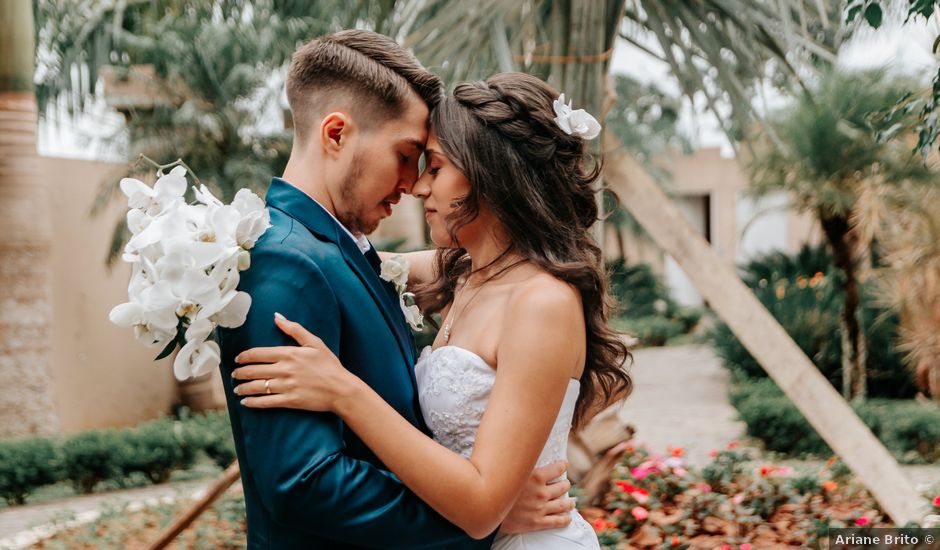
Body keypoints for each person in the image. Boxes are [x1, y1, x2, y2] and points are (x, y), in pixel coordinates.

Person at [232, 72, 634, 549]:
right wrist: (216, 250)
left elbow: (484, 504)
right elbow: (336, 262)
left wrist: (343, 392)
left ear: (492, 177)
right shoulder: (463, 273)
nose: (419, 186)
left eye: (435, 167)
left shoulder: (541, 303)